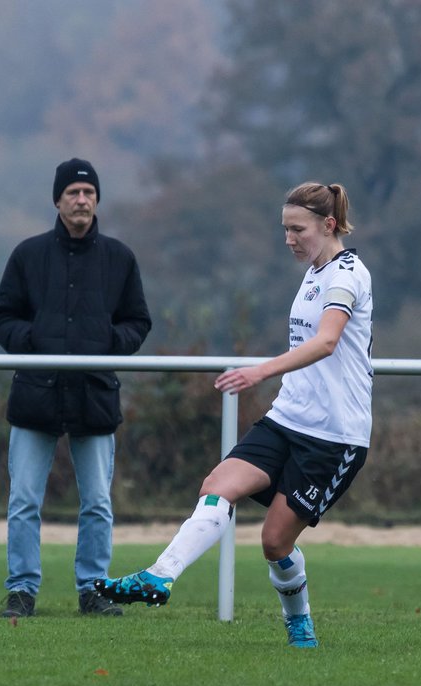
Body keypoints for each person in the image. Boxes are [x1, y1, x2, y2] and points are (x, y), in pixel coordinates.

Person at [93, 182, 373, 647]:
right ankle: (160, 576)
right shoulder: (313, 270)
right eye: (284, 229)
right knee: (217, 487)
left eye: (296, 229)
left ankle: (299, 623)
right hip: (287, 418)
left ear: (328, 225)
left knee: (274, 543)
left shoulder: (348, 273)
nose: (288, 239)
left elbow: (326, 342)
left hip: (334, 436)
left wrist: (259, 371)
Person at [0, 158, 152, 618]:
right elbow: (2, 317)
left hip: (94, 396)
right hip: (35, 394)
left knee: (98, 502)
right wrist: (34, 343)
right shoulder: (28, 255)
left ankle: (93, 590)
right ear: (57, 200)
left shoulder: (120, 259)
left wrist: (106, 346)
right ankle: (21, 591)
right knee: (23, 500)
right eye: (73, 193)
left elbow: (138, 322)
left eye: (89, 193)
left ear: (97, 200)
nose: (82, 200)